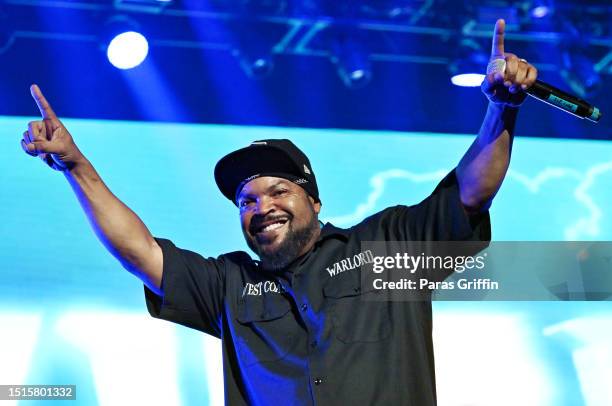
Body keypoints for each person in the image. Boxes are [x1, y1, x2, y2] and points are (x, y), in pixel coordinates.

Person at [21, 19, 537, 406]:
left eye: (277, 191)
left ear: (314, 201)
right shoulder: (227, 282)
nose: (261, 206)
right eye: (246, 200)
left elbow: (470, 193)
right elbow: (138, 251)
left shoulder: (385, 246)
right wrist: (74, 164)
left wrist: (502, 108)